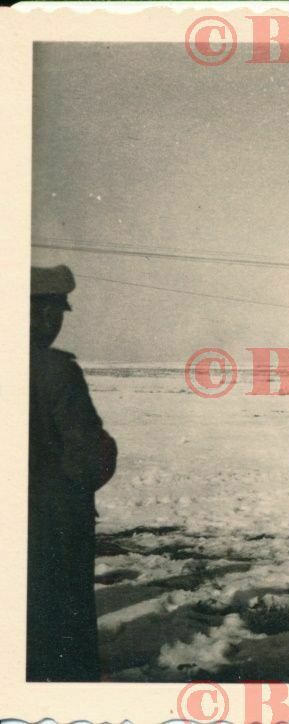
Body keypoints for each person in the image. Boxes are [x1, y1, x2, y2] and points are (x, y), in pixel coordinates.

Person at [28, 264, 117, 681]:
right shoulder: (55, 371)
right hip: (52, 532)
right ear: (44, 314)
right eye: (57, 313)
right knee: (61, 651)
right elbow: (88, 461)